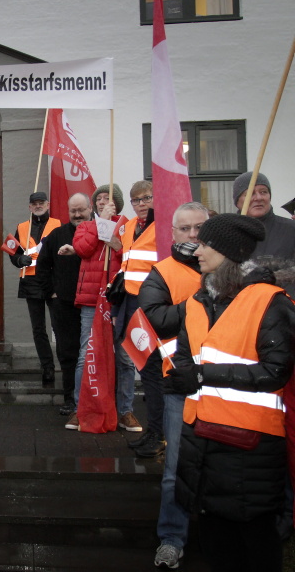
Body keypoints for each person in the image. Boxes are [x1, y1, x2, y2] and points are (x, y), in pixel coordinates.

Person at [171, 213, 294, 572]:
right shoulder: (198, 301)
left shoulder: (271, 302)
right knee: (214, 541)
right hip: (201, 441)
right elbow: (184, 358)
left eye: (206, 244)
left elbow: (275, 372)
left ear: (229, 252)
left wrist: (203, 375)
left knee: (254, 543)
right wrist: (179, 375)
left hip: (249, 446)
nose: (197, 250)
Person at [136, 202, 208, 568]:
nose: (193, 236)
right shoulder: (162, 272)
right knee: (175, 468)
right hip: (181, 382)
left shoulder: (231, 270)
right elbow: (154, 318)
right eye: (185, 229)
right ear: (173, 233)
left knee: (224, 467)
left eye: (199, 228)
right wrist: (198, 303)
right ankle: (171, 537)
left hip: (224, 384)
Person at [66, 184, 124, 429]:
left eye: (107, 199)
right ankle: (81, 408)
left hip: (119, 298)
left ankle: (125, 410)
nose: (102, 202)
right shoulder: (86, 226)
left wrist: (113, 233)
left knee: (123, 358)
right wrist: (104, 224)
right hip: (92, 299)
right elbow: (84, 249)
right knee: (85, 355)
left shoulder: (127, 225)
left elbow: (124, 253)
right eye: (99, 199)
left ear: (117, 203)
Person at [35, 194, 89, 416]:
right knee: (68, 352)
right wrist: (52, 294)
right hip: (64, 305)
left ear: (90, 208)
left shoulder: (99, 234)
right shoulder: (57, 235)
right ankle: (70, 399)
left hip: (93, 305)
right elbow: (42, 267)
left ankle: (92, 399)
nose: (77, 215)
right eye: (73, 210)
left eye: (81, 210)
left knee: (93, 353)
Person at [111, 180, 157, 434]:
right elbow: (124, 268)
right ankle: (126, 411)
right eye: (136, 200)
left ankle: (156, 424)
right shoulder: (127, 227)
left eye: (146, 198)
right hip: (128, 303)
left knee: (153, 364)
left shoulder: (165, 226)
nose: (141, 204)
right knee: (126, 360)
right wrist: (117, 311)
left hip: (155, 305)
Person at [8, 191, 61, 386]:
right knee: (38, 329)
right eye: (34, 204)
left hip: (53, 281)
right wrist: (18, 259)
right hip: (30, 281)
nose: (38, 206)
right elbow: (12, 251)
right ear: (29, 207)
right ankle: (47, 366)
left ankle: (65, 364)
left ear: (48, 205)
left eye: (41, 203)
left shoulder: (57, 225)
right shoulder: (21, 227)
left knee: (58, 326)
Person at [232, 171, 295, 263]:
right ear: (237, 202)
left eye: (263, 192)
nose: (258, 198)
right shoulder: (228, 233)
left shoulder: (291, 229)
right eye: (251, 193)